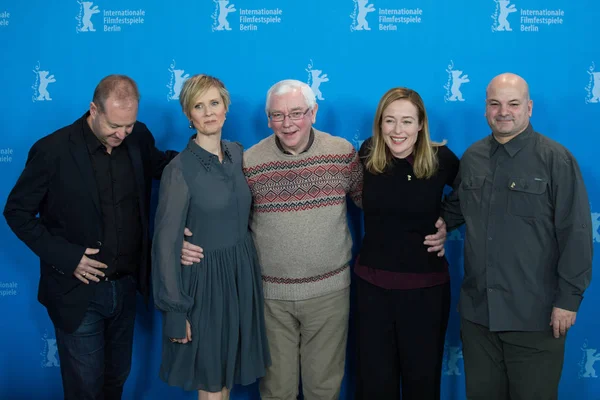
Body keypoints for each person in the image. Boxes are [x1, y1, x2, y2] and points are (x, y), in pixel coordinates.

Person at [181, 79, 448, 400]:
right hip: (270, 298)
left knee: (324, 389)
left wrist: (442, 220)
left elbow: (378, 203)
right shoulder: (249, 161)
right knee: (276, 391)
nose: (288, 123)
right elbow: (222, 209)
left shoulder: (342, 153)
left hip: (330, 294)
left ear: (314, 112)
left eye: (297, 113)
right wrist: (185, 237)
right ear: (267, 119)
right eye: (277, 115)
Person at [3, 75, 178, 400]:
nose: (121, 134)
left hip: (125, 288)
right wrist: (68, 258)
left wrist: (210, 155)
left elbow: (164, 166)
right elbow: (16, 213)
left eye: (128, 125)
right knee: (84, 389)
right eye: (114, 125)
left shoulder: (137, 137)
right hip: (77, 294)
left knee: (116, 381)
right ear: (93, 110)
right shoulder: (51, 150)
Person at [441, 72, 593, 400]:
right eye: (495, 104)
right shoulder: (472, 157)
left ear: (529, 108)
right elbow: (453, 211)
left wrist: (568, 300)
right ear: (485, 109)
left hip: (535, 318)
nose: (503, 111)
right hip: (479, 317)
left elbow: (577, 233)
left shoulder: (556, 160)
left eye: (513, 104)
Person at [151, 74, 270, 400]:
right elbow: (164, 245)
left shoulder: (236, 154)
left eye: (214, 103)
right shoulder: (179, 169)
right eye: (198, 106)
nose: (208, 112)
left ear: (226, 107)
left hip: (240, 277)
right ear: (189, 116)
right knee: (211, 383)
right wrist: (176, 311)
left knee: (225, 375)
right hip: (204, 284)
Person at [354, 87, 459, 400]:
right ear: (380, 124)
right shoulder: (368, 152)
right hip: (372, 289)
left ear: (421, 124)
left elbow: (474, 193)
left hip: (425, 290)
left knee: (422, 383)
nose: (398, 130)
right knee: (375, 385)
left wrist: (447, 222)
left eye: (407, 121)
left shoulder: (442, 159)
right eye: (390, 121)